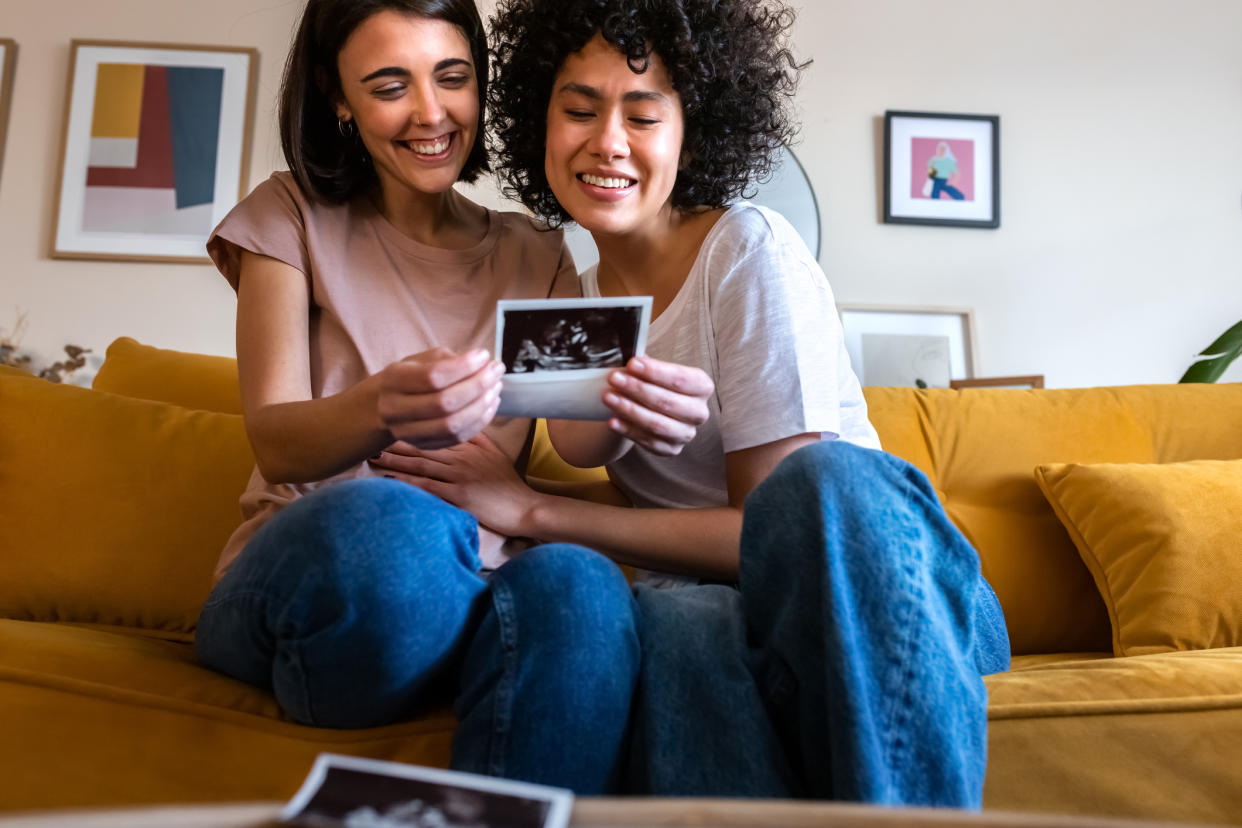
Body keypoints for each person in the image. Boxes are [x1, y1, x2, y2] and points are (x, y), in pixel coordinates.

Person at [373, 0, 1011, 808]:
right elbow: (589, 459)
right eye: (578, 110)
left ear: (693, 136)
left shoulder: (749, 249)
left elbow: (778, 538)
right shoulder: (580, 295)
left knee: (820, 484)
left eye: (642, 116)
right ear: (541, 125)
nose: (606, 141)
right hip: (723, 613)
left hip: (875, 601)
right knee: (676, 623)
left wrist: (534, 512)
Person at [193, 0, 706, 795]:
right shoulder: (289, 214)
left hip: (476, 596)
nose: (431, 114)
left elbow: (576, 443)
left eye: (453, 78)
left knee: (579, 582)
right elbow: (277, 442)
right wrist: (379, 407)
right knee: (397, 526)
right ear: (339, 98)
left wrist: (627, 406)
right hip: (313, 586)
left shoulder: (537, 251)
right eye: (389, 85)